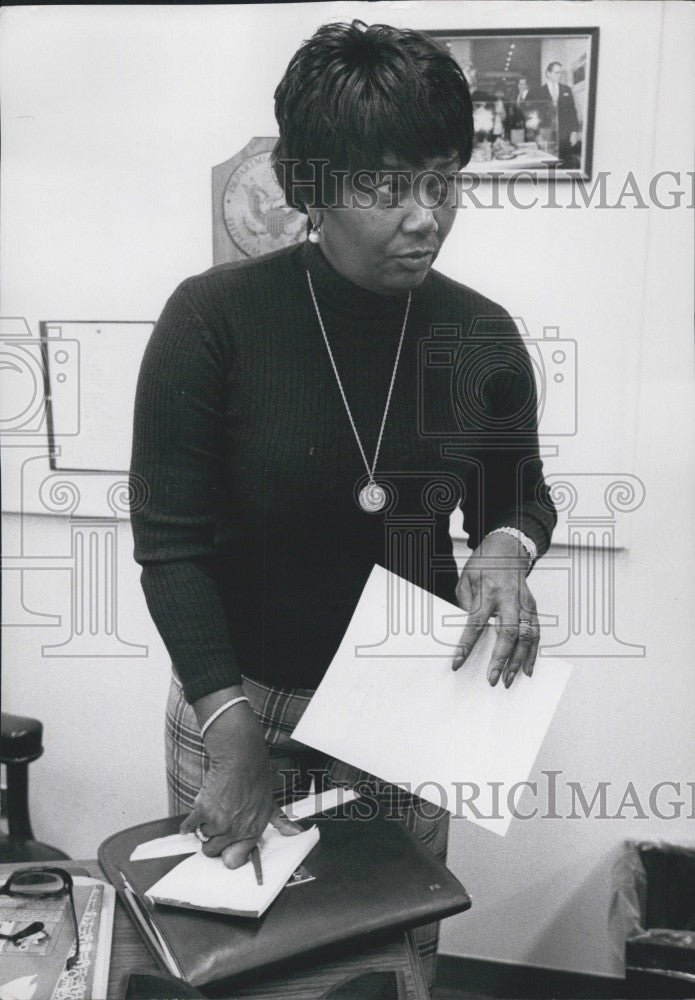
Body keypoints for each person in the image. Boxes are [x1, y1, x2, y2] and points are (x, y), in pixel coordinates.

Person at [129, 20, 557, 985]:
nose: (424, 215)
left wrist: (501, 547)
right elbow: (170, 547)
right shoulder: (212, 321)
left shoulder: (480, 336)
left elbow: (516, 496)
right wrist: (230, 730)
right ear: (310, 188)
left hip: (412, 697)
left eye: (442, 179)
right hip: (240, 698)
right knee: (240, 958)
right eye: (384, 185)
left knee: (390, 959)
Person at [531, 61, 581, 165]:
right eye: (557, 73)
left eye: (561, 73)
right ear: (548, 73)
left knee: (565, 163)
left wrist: (575, 132)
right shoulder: (538, 91)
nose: (560, 75)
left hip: (565, 134)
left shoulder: (566, 89)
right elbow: (534, 116)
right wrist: (536, 134)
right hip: (546, 134)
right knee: (547, 163)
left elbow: (572, 111)